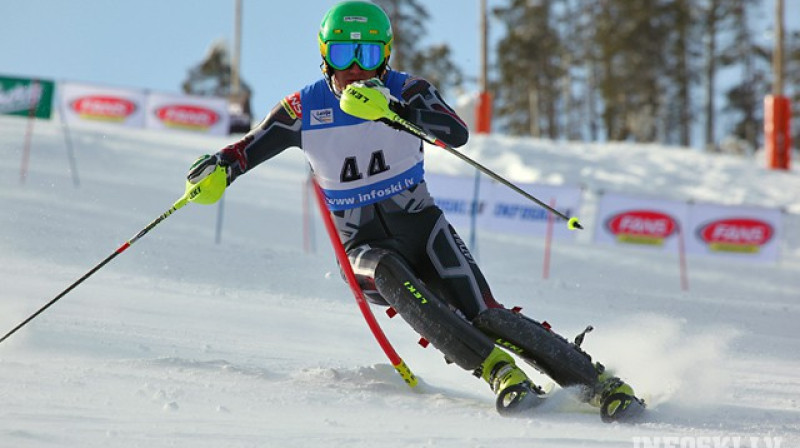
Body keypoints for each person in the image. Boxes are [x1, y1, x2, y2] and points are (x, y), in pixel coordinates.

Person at [187, 0, 644, 422]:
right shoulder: (303, 108)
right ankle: (499, 372)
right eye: (344, 53)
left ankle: (600, 384)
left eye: (367, 56)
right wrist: (216, 169)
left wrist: (395, 110)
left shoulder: (407, 89)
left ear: (384, 56)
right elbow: (246, 150)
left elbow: (457, 133)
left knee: (485, 313)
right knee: (389, 272)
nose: (354, 69)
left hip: (423, 228)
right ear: (325, 54)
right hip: (362, 247)